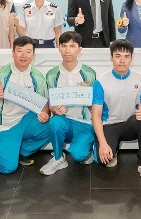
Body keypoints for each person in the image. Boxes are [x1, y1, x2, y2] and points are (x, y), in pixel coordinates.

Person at [92, 39, 141, 181]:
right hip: (110, 125)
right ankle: (111, 150)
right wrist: (103, 144)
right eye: (118, 56)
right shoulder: (101, 83)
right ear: (111, 57)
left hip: (130, 123)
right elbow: (96, 115)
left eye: (126, 56)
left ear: (131, 58)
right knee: (103, 160)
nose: (122, 61)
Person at [0, 36, 52, 174]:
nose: (23, 55)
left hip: (25, 121)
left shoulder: (38, 77)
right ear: (13, 53)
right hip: (4, 125)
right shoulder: (0, 75)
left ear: (33, 55)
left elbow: (44, 104)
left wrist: (45, 114)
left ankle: (21, 151)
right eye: (19, 51)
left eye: (28, 51)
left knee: (53, 126)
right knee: (8, 168)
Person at [40, 31, 99, 176]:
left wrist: (87, 95)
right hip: (64, 122)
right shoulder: (52, 75)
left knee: (79, 156)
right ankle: (58, 158)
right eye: (64, 45)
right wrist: (55, 110)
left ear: (79, 49)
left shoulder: (89, 73)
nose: (67, 50)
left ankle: (86, 148)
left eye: (72, 46)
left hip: (84, 124)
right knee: (55, 122)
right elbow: (50, 104)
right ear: (59, 48)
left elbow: (96, 106)